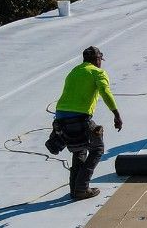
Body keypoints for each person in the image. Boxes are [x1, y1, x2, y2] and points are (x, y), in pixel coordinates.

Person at [47, 46, 122, 201]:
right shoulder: (97, 72)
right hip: (80, 118)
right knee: (97, 148)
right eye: (100, 59)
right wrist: (116, 115)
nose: (101, 63)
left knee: (79, 150)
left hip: (60, 120)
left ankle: (75, 189)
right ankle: (81, 188)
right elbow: (105, 92)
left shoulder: (74, 71)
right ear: (97, 59)